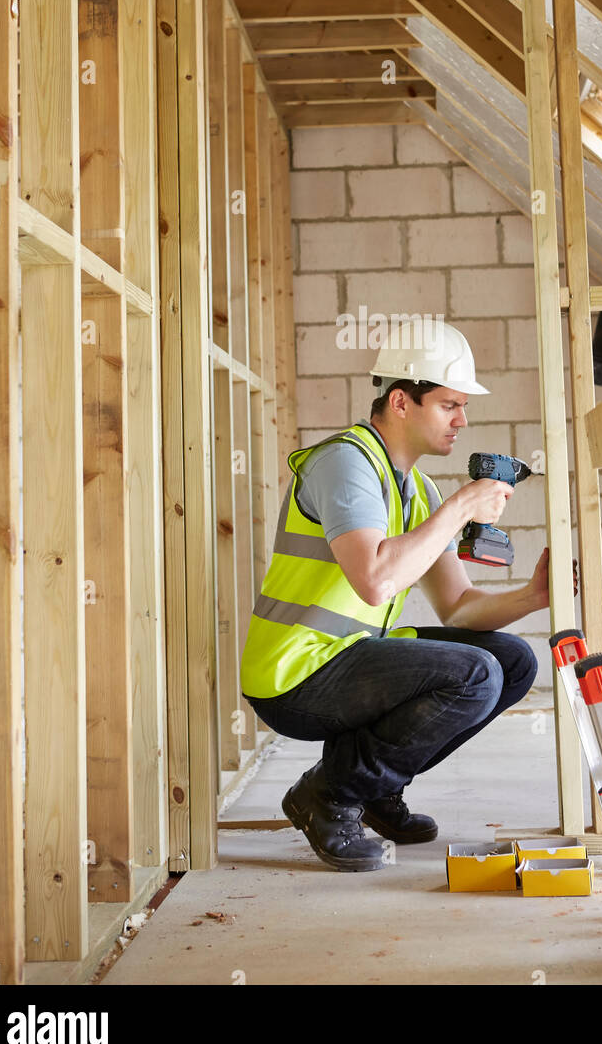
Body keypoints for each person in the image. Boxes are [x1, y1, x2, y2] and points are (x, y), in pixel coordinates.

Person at [240, 320, 577, 871]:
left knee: (510, 662)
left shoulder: (418, 488)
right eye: (449, 405)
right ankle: (330, 794)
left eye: (462, 407)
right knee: (474, 674)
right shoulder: (345, 463)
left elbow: (459, 607)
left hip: (348, 658)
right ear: (401, 401)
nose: (462, 421)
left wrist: (533, 596)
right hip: (295, 674)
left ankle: (375, 787)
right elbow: (374, 579)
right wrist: (461, 510)